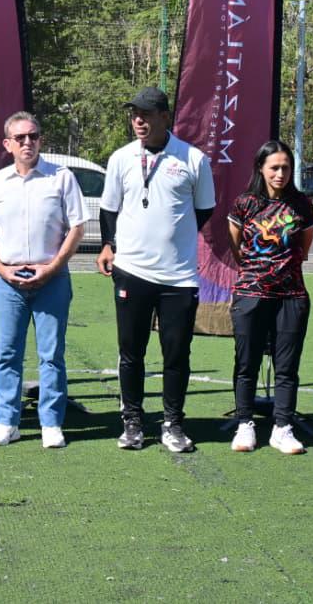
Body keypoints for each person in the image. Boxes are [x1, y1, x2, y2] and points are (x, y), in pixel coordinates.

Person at [97, 86, 215, 453]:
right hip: (131, 270)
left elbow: (204, 210)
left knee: (176, 353)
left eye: (146, 114)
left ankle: (173, 424)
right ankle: (132, 422)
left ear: (166, 117)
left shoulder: (194, 159)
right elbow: (109, 208)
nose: (138, 120)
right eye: (134, 113)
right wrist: (109, 245)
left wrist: (172, 238)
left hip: (178, 277)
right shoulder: (120, 158)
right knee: (131, 351)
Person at [0, 111, 88, 449]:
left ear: (40, 139)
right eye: (20, 138)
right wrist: (1, 268)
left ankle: (50, 423)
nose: (28, 142)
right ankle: (7, 422)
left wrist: (52, 267)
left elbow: (77, 227)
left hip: (51, 279)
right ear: (7, 144)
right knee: (7, 354)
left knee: (51, 354)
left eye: (33, 136)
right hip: (7, 280)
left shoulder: (61, 177)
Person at [226, 140, 313, 454]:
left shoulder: (302, 205)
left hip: (291, 295)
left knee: (286, 366)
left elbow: (303, 248)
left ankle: (283, 427)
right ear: (261, 169)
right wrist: (258, 274)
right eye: (274, 167)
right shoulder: (245, 203)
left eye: (286, 168)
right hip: (251, 294)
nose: (280, 173)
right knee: (246, 363)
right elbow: (237, 247)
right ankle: (245, 425)